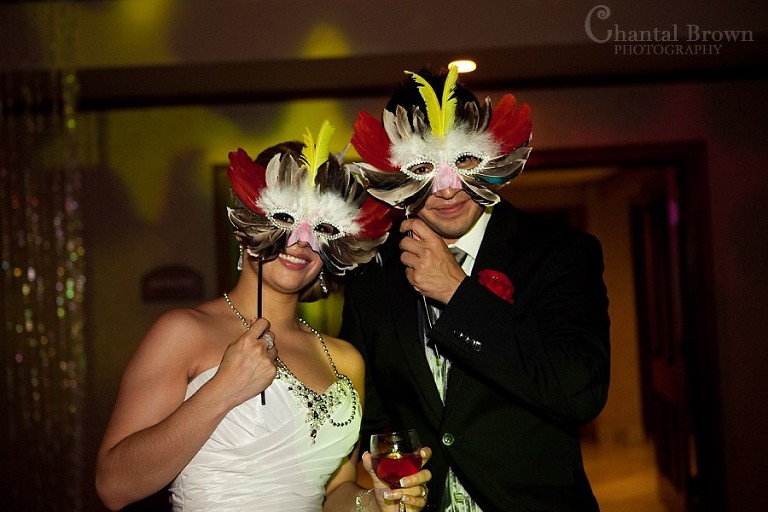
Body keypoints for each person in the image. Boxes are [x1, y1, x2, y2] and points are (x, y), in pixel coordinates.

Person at [95, 122, 433, 512]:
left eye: (321, 227)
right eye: (285, 219)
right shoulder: (183, 332)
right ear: (245, 228)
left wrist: (373, 502)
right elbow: (113, 485)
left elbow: (334, 493)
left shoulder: (344, 359)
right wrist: (221, 390)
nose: (300, 241)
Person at [339, 66, 611, 511]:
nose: (447, 190)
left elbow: (579, 392)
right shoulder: (372, 271)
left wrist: (459, 294)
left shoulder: (562, 253)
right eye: (423, 167)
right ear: (393, 175)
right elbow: (372, 412)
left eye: (463, 161)